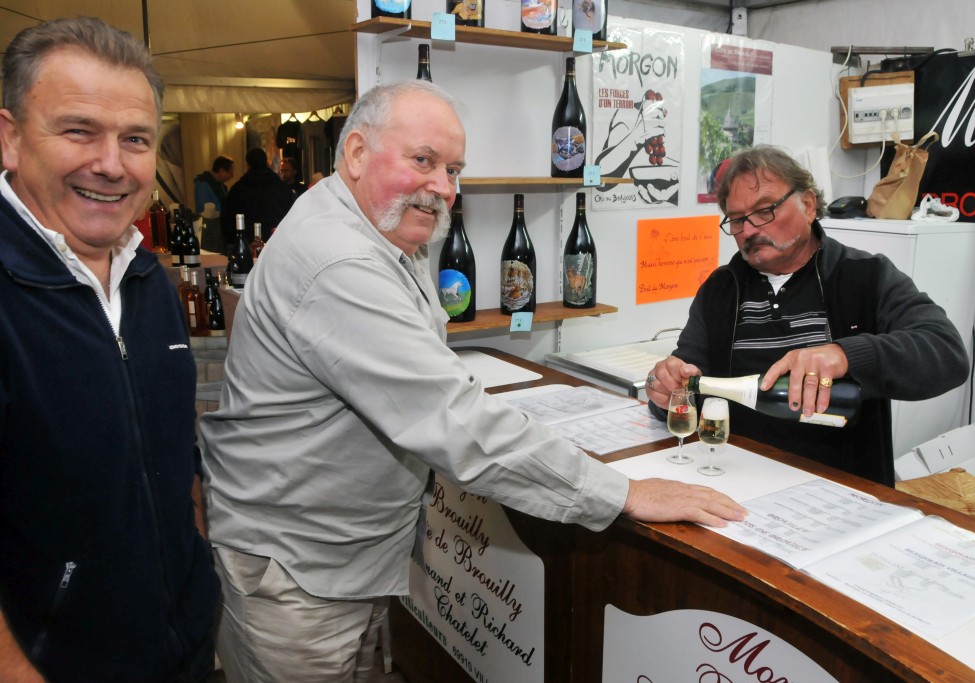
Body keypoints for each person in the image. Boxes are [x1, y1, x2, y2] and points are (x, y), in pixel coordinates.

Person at [200, 80, 746, 683]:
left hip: (334, 560)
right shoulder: (341, 262)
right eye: (423, 160)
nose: (443, 187)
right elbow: (451, 420)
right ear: (355, 153)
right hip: (299, 576)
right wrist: (621, 493)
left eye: (454, 170)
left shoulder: (377, 230)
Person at [0, 16, 219, 683]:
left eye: (135, 139)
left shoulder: (148, 278)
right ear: (10, 137)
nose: (111, 164)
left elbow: (174, 453)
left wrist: (197, 577)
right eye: (78, 130)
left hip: (182, 650)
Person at [645, 145, 970, 486]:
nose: (750, 230)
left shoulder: (864, 276)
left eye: (765, 210)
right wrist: (664, 390)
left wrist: (845, 355)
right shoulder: (721, 289)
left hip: (841, 491)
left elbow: (947, 352)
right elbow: (685, 385)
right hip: (734, 482)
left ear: (809, 205)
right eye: (737, 219)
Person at [219, 146, 294, 245]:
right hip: (277, 241)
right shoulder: (282, 188)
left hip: (247, 243)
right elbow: (292, 214)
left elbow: (226, 218)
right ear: (266, 162)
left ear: (248, 164)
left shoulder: (238, 189)